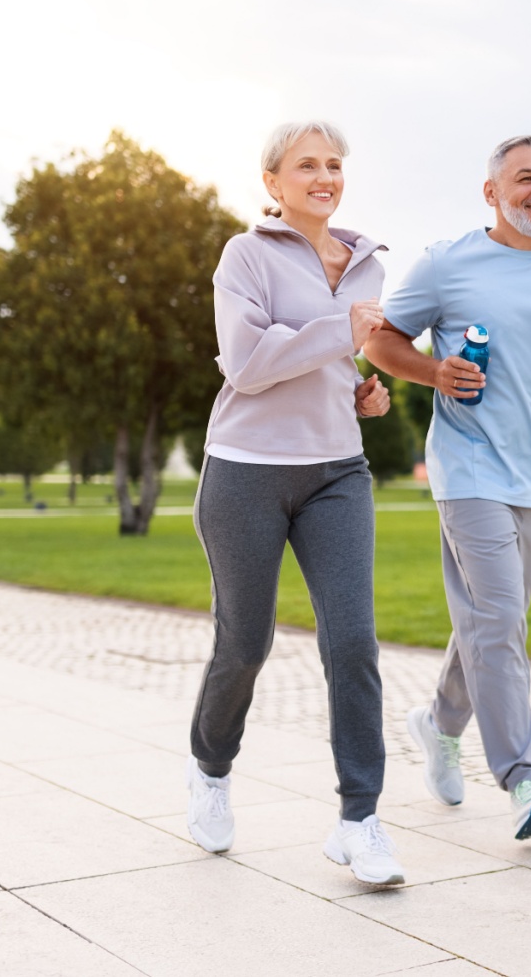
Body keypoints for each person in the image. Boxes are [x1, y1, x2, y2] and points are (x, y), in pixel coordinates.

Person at [364, 135, 531, 840]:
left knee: (491, 623)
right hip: (470, 467)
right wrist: (433, 374)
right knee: (503, 619)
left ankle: (440, 724)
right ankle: (524, 779)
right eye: (525, 179)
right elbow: (382, 341)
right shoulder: (449, 263)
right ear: (493, 193)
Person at [185, 121, 405, 885]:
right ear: (274, 183)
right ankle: (210, 769)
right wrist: (336, 332)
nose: (325, 175)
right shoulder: (245, 255)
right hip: (246, 470)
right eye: (306, 164)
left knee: (353, 643)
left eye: (335, 164)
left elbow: (333, 359)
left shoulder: (369, 264)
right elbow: (246, 365)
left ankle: (360, 820)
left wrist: (360, 390)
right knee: (245, 645)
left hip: (337, 472)